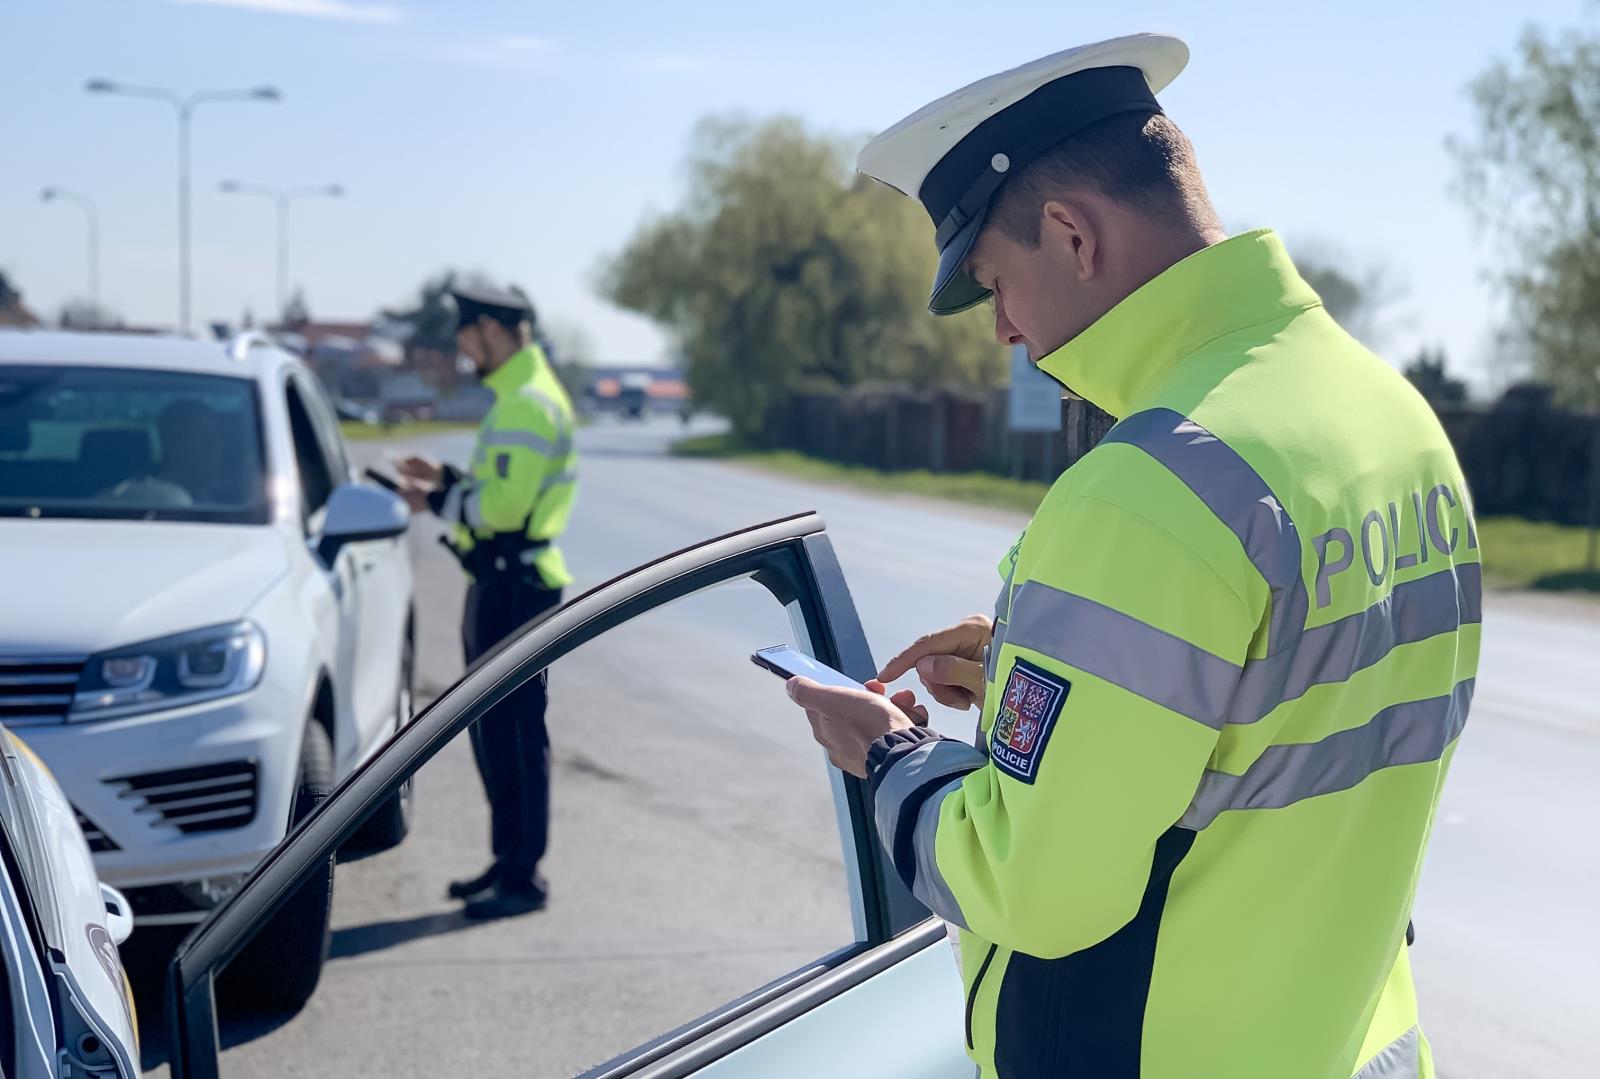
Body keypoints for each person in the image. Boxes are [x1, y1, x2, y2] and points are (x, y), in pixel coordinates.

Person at [786, 34, 1479, 1079]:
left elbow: (1039, 887)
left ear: (1068, 233)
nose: (1003, 332)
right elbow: (1284, 707)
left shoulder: (1151, 485)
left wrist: (887, 756)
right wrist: (1033, 668)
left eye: (992, 283)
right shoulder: (1387, 415)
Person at [397, 285, 578, 920]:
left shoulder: (526, 404)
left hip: (515, 591)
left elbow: (503, 510)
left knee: (515, 734)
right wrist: (447, 480)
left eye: (466, 335)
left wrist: (436, 501)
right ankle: (508, 863)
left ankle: (523, 879)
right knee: (497, 732)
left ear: (493, 334)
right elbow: (501, 490)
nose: (461, 348)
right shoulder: (517, 398)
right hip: (504, 585)